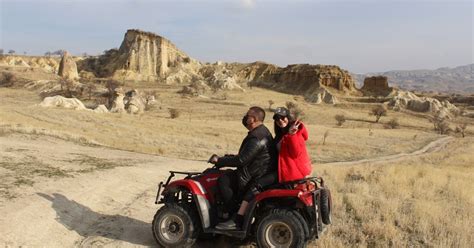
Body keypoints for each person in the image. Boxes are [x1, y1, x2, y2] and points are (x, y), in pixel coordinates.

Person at [209, 106, 277, 230]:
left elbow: (242, 160)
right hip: (259, 171)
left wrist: (219, 160)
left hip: (254, 176)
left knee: (224, 180)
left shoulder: (256, 137)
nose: (245, 118)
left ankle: (234, 215)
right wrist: (227, 159)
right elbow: (248, 156)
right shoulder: (263, 131)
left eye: (248, 116)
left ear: (253, 119)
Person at [273, 107, 312, 183]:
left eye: (282, 117)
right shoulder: (280, 134)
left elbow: (296, 153)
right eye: (277, 119)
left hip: (295, 174)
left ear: (288, 117)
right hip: (285, 170)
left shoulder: (296, 133)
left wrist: (292, 135)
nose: (280, 120)